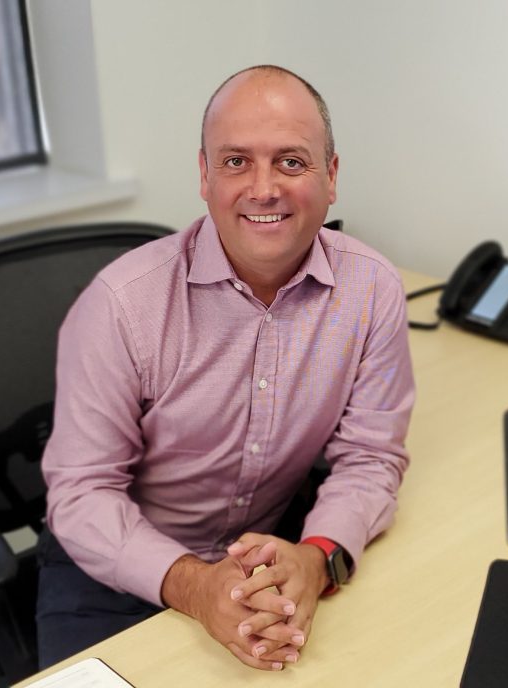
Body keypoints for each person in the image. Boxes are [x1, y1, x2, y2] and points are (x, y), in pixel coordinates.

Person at [37, 64, 415, 672]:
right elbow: (82, 495)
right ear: (205, 175)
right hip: (110, 565)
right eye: (237, 161)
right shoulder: (121, 304)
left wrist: (316, 559)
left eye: (291, 161)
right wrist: (195, 586)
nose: (263, 188)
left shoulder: (371, 290)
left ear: (332, 176)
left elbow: (371, 456)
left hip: (271, 553)